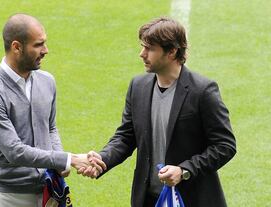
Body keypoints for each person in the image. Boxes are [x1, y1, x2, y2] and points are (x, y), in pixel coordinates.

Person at [81, 17, 237, 207]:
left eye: (150, 48)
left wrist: (184, 170)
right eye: (142, 46)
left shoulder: (202, 91)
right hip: (149, 199)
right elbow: (126, 136)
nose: (142, 54)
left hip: (192, 200)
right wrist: (102, 159)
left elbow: (225, 145)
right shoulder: (138, 87)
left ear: (172, 52)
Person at [0, 14, 105, 207]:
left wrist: (60, 165)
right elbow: (14, 152)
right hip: (10, 198)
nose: (46, 50)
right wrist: (69, 159)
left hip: (49, 192)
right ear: (17, 47)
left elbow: (50, 127)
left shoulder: (47, 81)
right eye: (38, 45)